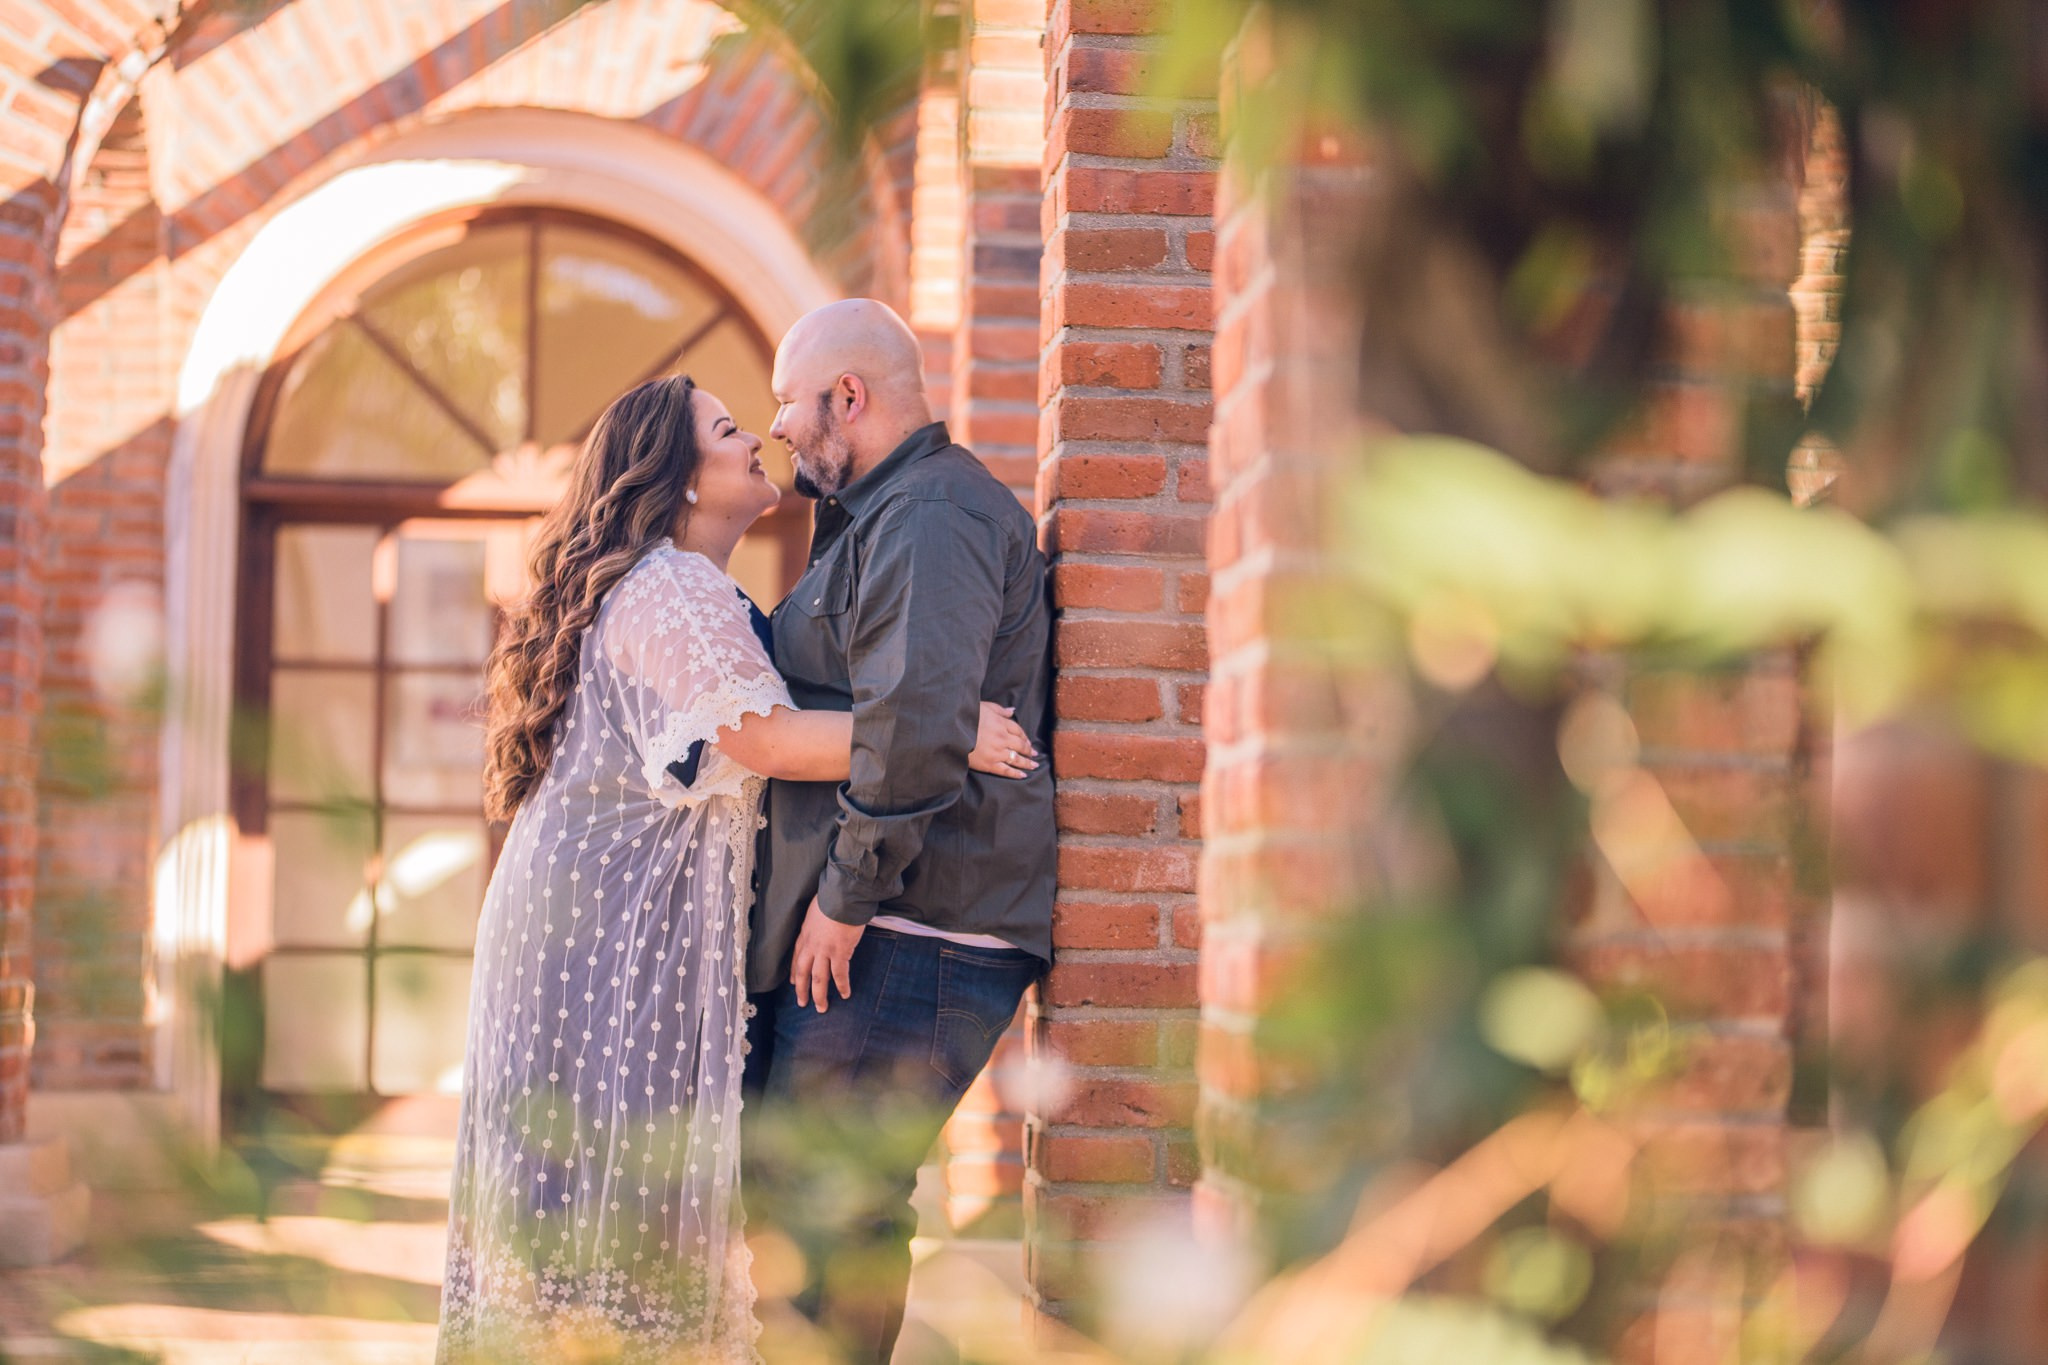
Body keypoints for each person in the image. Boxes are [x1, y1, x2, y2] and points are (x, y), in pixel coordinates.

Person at [436, 374, 1035, 1364]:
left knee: (610, 1205)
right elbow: (769, 740)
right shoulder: (669, 584)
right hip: (603, 934)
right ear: (676, 480)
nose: (753, 437)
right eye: (725, 430)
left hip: (610, 920)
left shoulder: (686, 586)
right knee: (610, 1203)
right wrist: (947, 728)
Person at [745, 299, 1057, 1362]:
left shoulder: (927, 516)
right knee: (816, 1210)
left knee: (826, 1210)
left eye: (787, 401)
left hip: (913, 922)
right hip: (899, 918)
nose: (777, 426)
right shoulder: (886, 514)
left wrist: (845, 894)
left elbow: (919, 723)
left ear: (848, 396)